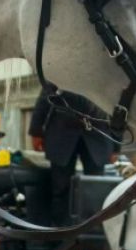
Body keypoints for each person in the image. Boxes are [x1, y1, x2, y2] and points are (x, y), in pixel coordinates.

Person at [27, 87, 116, 221]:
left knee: (96, 188)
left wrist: (116, 146)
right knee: (60, 188)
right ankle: (61, 232)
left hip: (98, 135)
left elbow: (116, 107)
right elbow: (45, 97)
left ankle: (93, 232)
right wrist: (36, 132)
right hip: (61, 133)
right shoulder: (60, 68)